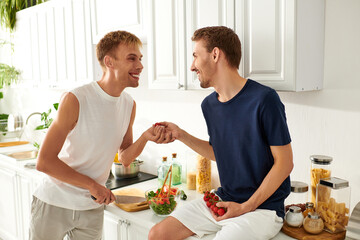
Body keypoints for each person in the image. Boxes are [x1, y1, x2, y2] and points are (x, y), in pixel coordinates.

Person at [148, 26, 294, 240]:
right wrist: (181, 135)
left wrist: (246, 206)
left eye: (196, 56)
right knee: (157, 234)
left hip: (262, 209)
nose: (192, 66)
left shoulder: (264, 100)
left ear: (215, 54)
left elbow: (285, 163)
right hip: (224, 199)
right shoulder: (209, 105)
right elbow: (221, 153)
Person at [29, 30, 170, 240]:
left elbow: (125, 158)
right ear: (109, 62)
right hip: (54, 202)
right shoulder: (76, 99)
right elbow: (44, 162)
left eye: (140, 59)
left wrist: (145, 137)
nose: (140, 65)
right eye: (131, 58)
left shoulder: (128, 105)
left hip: (91, 207)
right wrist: (93, 185)